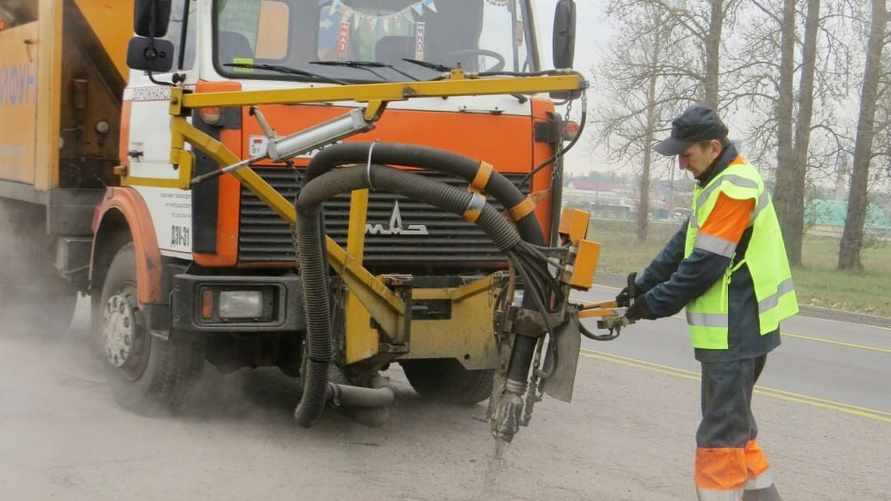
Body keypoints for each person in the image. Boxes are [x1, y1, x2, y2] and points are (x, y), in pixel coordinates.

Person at [619, 104, 798, 501]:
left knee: (720, 440)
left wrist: (650, 305)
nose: (682, 164)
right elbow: (682, 245)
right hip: (739, 331)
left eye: (687, 154)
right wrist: (641, 286)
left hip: (737, 332)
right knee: (736, 430)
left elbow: (703, 267)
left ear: (713, 147)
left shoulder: (734, 188)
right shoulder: (716, 183)